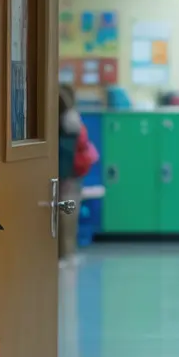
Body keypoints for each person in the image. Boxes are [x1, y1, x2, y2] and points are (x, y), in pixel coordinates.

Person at [58, 85, 98, 257]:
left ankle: (66, 253)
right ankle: (68, 252)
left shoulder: (66, 120)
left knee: (66, 215)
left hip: (68, 175)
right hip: (74, 174)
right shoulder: (73, 117)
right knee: (69, 215)